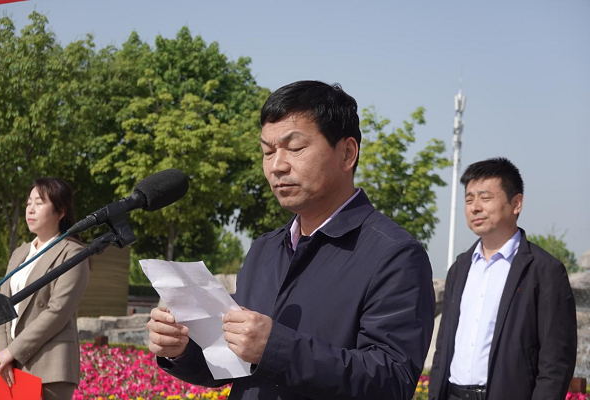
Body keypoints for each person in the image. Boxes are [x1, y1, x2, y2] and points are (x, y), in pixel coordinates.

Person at [147, 80, 436, 399]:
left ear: (347, 153)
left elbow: (392, 380)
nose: (277, 166)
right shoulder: (264, 249)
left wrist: (275, 349)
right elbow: (233, 362)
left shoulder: (395, 254)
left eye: (295, 148)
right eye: (267, 152)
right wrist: (181, 349)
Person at [429, 158, 577, 400]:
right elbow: (443, 348)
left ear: (516, 203)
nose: (475, 207)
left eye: (485, 198)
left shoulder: (544, 270)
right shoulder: (460, 268)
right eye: (469, 199)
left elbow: (556, 360)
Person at [0, 178, 90, 400]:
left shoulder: (73, 253)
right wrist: (1, 354)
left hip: (48, 367)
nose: (31, 209)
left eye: (39, 203)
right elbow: (0, 306)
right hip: (9, 366)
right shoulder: (20, 253)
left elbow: (58, 311)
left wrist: (12, 351)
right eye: (29, 203)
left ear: (60, 211)